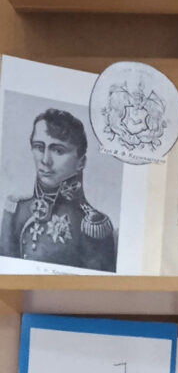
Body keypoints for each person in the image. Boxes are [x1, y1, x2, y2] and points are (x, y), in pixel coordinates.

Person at [0, 107, 117, 270]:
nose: (45, 160)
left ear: (81, 162)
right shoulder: (16, 210)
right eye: (39, 147)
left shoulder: (93, 226)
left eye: (58, 150)